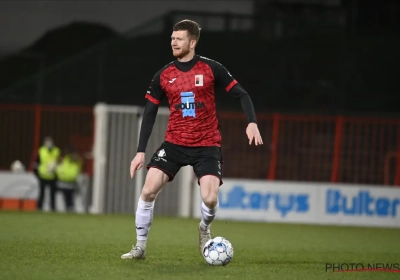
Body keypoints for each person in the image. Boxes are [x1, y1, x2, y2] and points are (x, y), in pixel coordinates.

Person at [121, 19, 263, 260]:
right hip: (174, 144)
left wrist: (251, 121)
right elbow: (149, 113)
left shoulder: (211, 69)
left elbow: (241, 94)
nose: (174, 42)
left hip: (207, 145)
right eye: (172, 38)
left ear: (193, 42)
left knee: (210, 198)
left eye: (179, 39)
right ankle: (140, 247)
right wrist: (140, 151)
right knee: (147, 190)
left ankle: (204, 228)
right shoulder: (163, 75)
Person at [33, 136, 61, 212]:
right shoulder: (41, 150)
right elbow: (37, 162)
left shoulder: (56, 150)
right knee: (41, 193)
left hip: (53, 175)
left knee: (53, 194)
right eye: (47, 141)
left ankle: (53, 208)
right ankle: (39, 208)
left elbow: (59, 161)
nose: (49, 143)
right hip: (43, 175)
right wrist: (36, 173)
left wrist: (55, 167)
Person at [56, 147, 82, 212]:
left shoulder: (75, 159)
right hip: (64, 180)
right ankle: (67, 208)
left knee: (70, 196)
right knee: (65, 196)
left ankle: (70, 208)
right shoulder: (63, 159)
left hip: (69, 180)